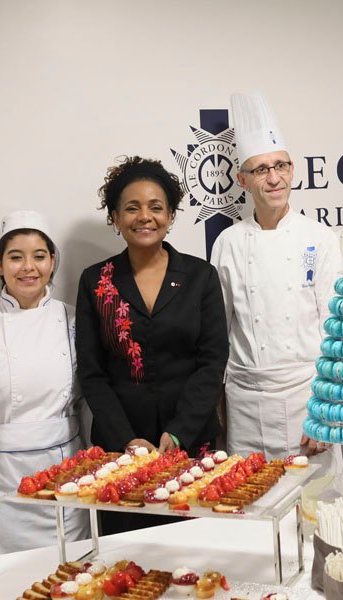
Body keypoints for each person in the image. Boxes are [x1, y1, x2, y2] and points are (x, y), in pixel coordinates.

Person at [76, 156, 228, 534]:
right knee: (124, 560)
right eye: (132, 207)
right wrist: (127, 439)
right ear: (114, 217)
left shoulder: (199, 276)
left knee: (197, 550)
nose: (145, 216)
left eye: (156, 207)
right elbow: (93, 373)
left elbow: (213, 361)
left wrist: (178, 433)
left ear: (171, 215)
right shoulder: (96, 281)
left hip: (191, 442)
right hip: (120, 451)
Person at [210, 92, 341, 470]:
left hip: (308, 399)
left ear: (292, 170)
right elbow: (220, 331)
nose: (273, 178)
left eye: (280, 166)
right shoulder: (229, 243)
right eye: (261, 169)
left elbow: (336, 332)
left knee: (319, 506)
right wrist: (221, 403)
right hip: (246, 402)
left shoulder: (320, 238)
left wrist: (328, 409)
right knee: (253, 507)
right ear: (243, 179)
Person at [0, 211, 90, 557]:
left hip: (64, 470)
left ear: (52, 262)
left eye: (39, 256)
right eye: (16, 257)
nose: (28, 267)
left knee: (70, 571)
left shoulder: (74, 319)